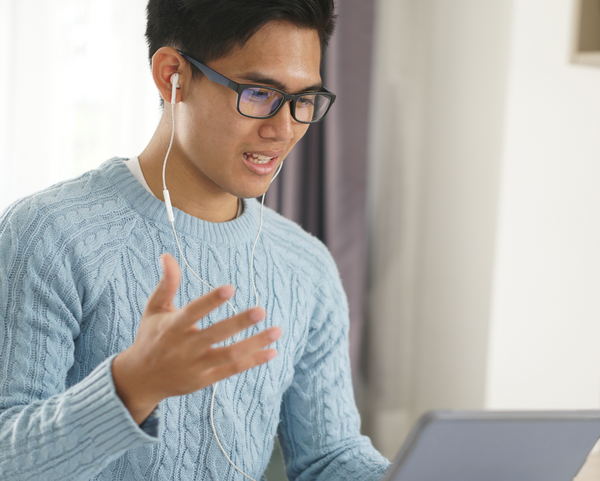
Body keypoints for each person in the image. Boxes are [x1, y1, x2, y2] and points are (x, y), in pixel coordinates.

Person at [0, 1, 389, 480]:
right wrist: (130, 387)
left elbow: (330, 458)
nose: (284, 129)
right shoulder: (49, 234)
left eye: (302, 99)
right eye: (259, 92)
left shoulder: (306, 265)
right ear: (172, 76)